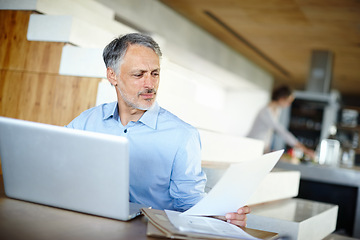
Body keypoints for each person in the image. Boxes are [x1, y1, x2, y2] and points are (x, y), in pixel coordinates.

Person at [66, 33, 250, 227]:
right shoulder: (87, 122)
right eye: (138, 75)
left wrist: (221, 214)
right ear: (113, 75)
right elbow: (57, 167)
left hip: (149, 232)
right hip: (90, 225)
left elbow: (188, 201)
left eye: (155, 73)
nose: (150, 84)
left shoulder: (182, 136)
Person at [247, 85, 315, 158]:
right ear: (281, 99)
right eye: (288, 101)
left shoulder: (277, 110)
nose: (289, 105)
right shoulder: (265, 112)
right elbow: (281, 131)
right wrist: (304, 149)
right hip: (251, 145)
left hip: (260, 147)